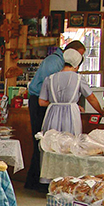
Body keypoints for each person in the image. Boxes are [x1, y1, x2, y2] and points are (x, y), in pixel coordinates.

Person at [23, 40, 86, 191]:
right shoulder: (54, 62)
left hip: (49, 103)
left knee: (51, 143)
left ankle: (43, 182)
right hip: (41, 103)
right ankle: (39, 182)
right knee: (44, 142)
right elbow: (53, 88)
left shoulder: (59, 61)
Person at [38, 48, 104, 136]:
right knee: (70, 142)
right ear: (76, 66)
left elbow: (41, 102)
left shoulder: (50, 78)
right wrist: (101, 111)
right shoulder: (79, 79)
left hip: (52, 114)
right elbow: (91, 98)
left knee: (52, 142)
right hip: (71, 114)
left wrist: (56, 103)